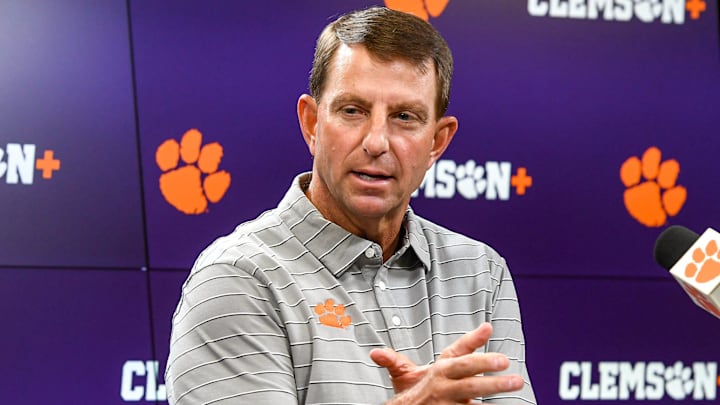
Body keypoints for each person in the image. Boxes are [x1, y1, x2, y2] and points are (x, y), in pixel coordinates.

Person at [165, 6, 536, 404]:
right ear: (312, 124)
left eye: (404, 116)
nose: (376, 141)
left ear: (437, 143)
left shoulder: (481, 272)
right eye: (353, 111)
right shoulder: (237, 278)